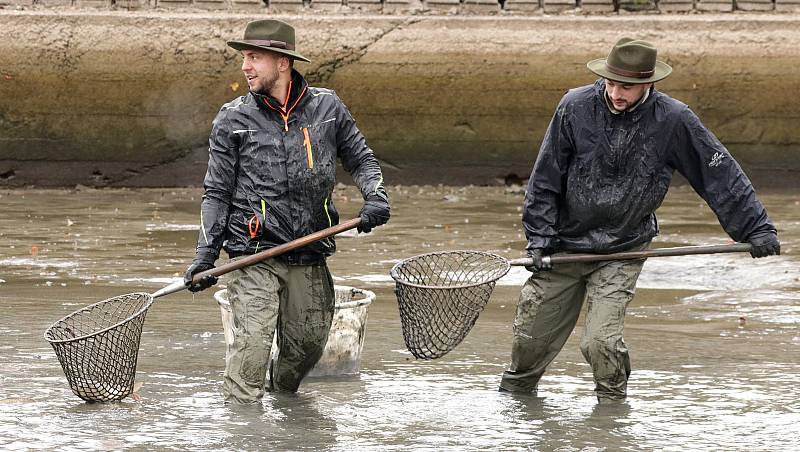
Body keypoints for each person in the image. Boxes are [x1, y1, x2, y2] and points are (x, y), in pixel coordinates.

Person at [499, 37, 780, 403]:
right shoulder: (574, 106)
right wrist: (540, 238)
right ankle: (515, 411)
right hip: (562, 246)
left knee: (601, 343)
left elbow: (718, 174)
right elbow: (545, 177)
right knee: (529, 343)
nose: (617, 93)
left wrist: (755, 228)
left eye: (627, 87)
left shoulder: (674, 119)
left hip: (624, 248)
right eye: (611, 83)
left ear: (649, 84)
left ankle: (612, 417)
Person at [184, 19, 390, 403]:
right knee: (251, 351)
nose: (245, 66)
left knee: (306, 348)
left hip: (311, 251)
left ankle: (283, 410)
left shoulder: (328, 108)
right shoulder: (233, 118)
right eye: (244, 57)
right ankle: (243, 427)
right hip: (254, 253)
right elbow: (216, 192)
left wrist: (375, 196)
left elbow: (361, 160)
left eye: (254, 58)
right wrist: (205, 254)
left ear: (282, 62)